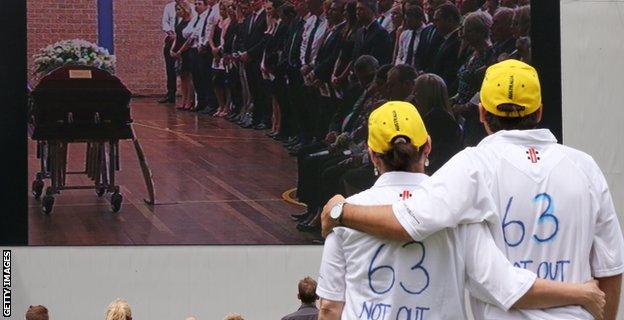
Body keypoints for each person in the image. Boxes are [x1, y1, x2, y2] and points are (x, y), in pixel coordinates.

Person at [321, 59, 624, 320]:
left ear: (481, 113)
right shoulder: (585, 167)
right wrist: (583, 296)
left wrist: (340, 211)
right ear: (540, 111)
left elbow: (406, 223)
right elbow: (610, 269)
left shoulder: (473, 166)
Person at [452, 10, 494, 146]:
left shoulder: (489, 55)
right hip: (464, 117)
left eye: (469, 31)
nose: (464, 35)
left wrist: (467, 106)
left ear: (481, 32)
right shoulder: (471, 53)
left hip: (477, 118)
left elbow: (486, 87)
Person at [429, 2, 462, 96]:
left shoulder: (457, 42)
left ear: (450, 20)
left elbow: (450, 73)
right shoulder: (442, 39)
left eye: (437, 20)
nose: (434, 24)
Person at [170, 1, 196, 111]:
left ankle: (189, 101)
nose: (177, 12)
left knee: (189, 77)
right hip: (178, 51)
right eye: (176, 10)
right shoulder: (180, 22)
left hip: (186, 51)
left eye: (179, 9)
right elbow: (177, 37)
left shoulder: (191, 21)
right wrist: (172, 49)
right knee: (182, 76)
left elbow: (189, 40)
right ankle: (183, 99)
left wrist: (180, 51)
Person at [351, 0, 393, 65]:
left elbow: (381, 60)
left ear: (372, 10)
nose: (357, 12)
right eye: (357, 9)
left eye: (361, 9)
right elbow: (354, 56)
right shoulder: (359, 32)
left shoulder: (381, 33)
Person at [160, 0, 183, 104]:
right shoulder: (169, 7)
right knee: (170, 68)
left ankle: (187, 95)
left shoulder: (190, 6)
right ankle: (171, 93)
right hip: (171, 38)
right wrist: (170, 33)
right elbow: (165, 22)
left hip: (183, 39)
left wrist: (179, 35)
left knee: (185, 69)